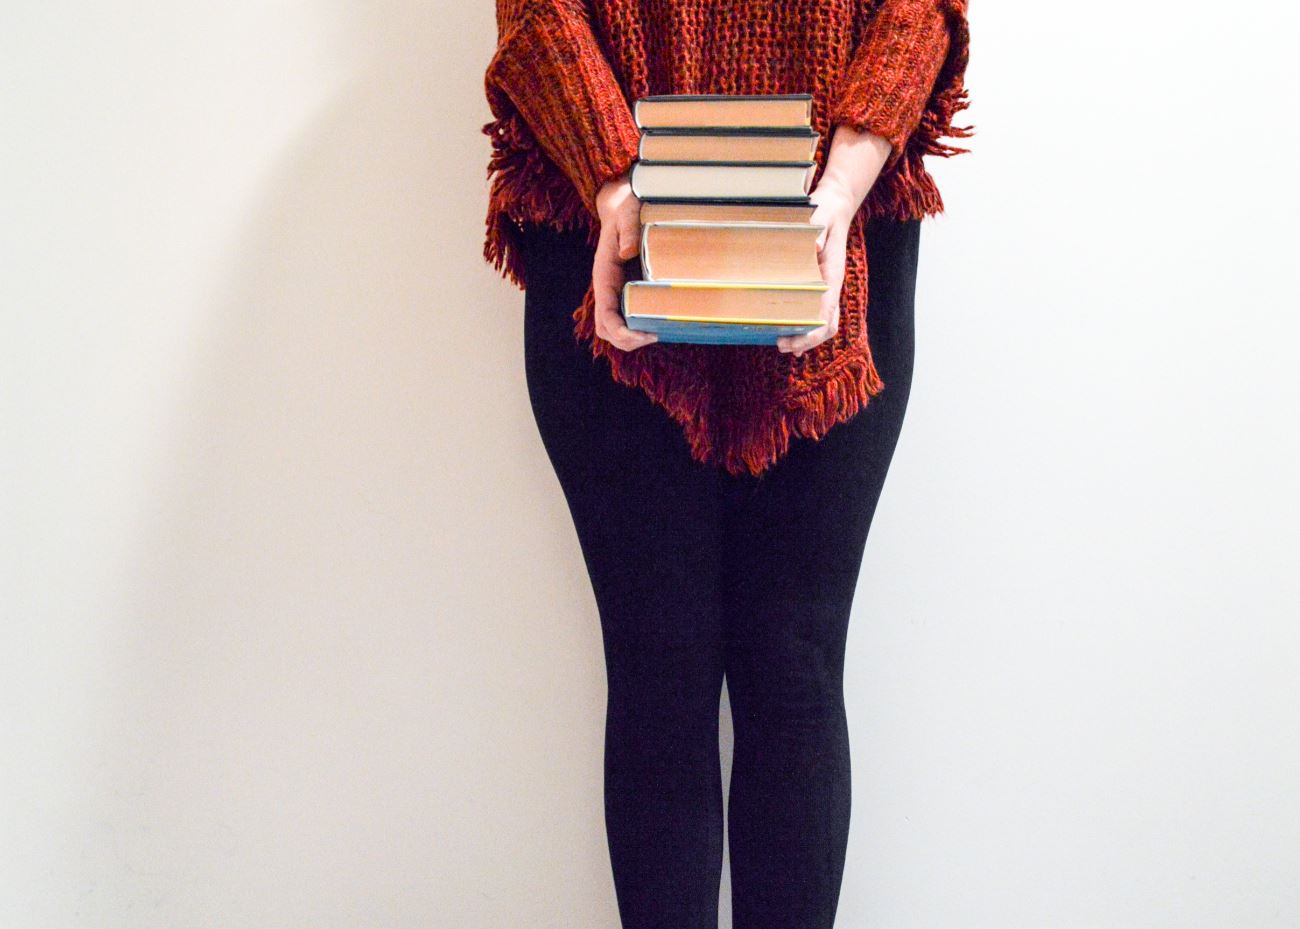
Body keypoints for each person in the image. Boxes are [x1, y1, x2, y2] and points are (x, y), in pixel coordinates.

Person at [480, 2, 972, 927]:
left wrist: (837, 192)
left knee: (793, 661)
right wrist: (616, 185)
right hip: (600, 233)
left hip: (842, 234)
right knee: (659, 660)